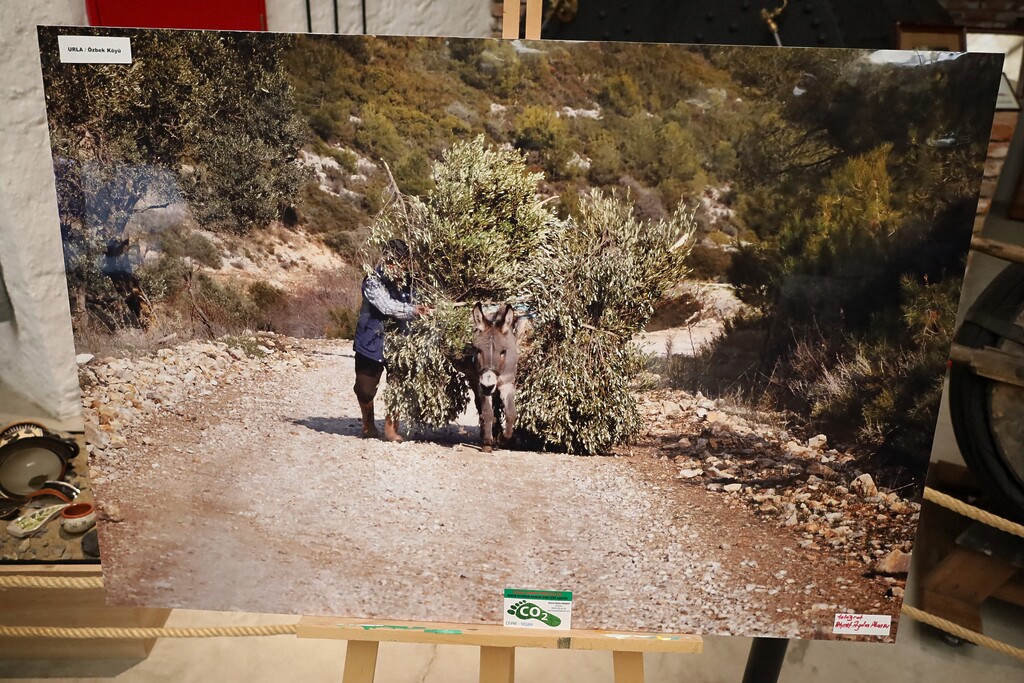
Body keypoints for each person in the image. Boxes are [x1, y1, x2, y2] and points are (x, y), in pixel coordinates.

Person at [353, 239, 429, 442]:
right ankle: (368, 424)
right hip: (371, 341)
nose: (397, 267)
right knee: (365, 388)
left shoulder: (412, 282)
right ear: (385, 260)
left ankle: (391, 429)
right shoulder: (373, 280)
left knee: (398, 385)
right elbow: (386, 306)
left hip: (400, 342)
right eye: (393, 262)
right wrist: (414, 310)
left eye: (401, 263)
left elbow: (422, 300)